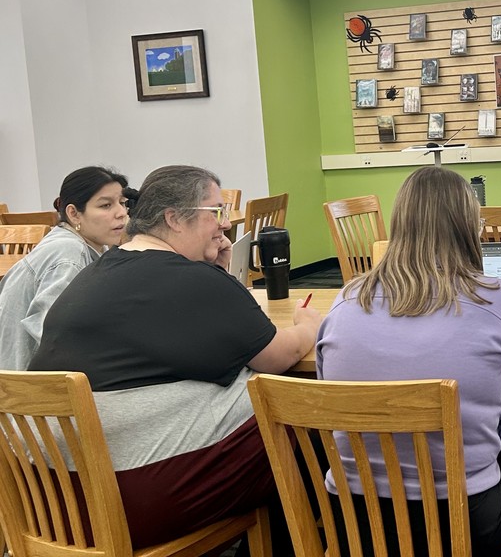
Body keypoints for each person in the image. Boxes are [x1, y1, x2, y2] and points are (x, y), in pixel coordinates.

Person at [29, 164, 322, 549]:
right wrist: (309, 326)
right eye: (215, 213)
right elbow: (277, 357)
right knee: (300, 416)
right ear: (173, 219)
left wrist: (214, 275)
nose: (225, 225)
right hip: (123, 500)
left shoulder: (97, 272)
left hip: (46, 501)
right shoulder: (192, 282)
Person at [316, 166, 501, 555]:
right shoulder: (497, 299)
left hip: (355, 521)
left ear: (399, 224)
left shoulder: (346, 300)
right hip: (467, 526)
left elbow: (328, 401)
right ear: (471, 226)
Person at [0, 166, 132, 370]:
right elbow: (54, 335)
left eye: (123, 203)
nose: (121, 213)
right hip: (23, 386)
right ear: (74, 213)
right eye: (106, 205)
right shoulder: (68, 252)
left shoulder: (84, 244)